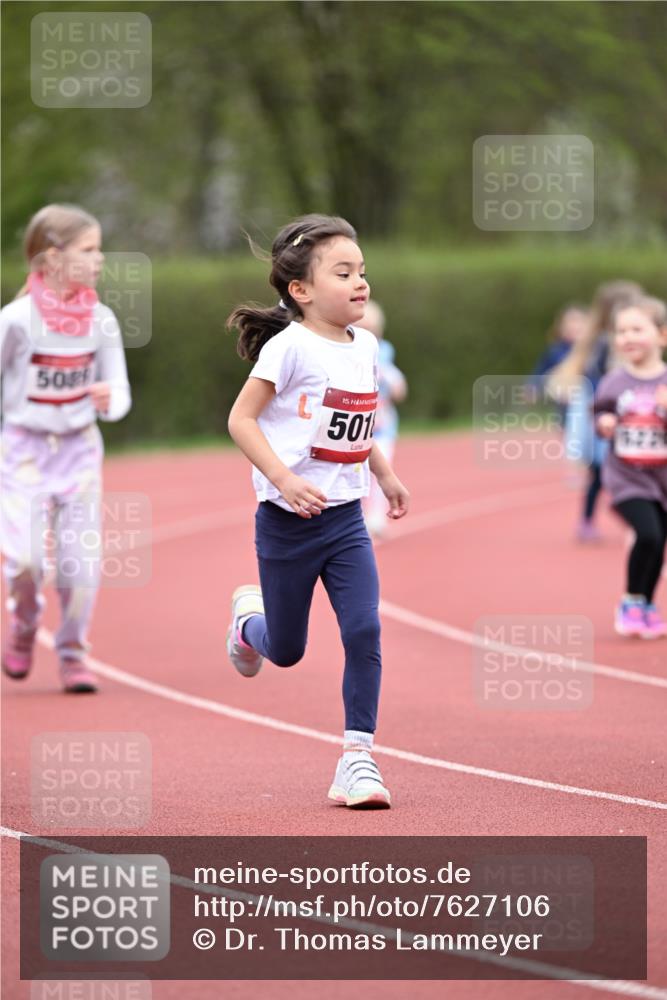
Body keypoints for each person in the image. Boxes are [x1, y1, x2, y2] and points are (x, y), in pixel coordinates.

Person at [225, 214, 409, 809]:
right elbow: (241, 420)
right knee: (286, 649)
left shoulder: (369, 346)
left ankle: (358, 759)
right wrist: (283, 479)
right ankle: (247, 625)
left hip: (347, 520)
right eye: (344, 273)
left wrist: (383, 474)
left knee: (365, 628)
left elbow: (359, 421)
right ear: (300, 290)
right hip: (287, 522)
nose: (361, 282)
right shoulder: (288, 348)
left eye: (363, 271)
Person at [1, 204, 132, 691]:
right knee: (27, 560)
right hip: (23, 453)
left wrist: (107, 399)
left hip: (78, 452)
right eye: (89, 250)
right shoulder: (14, 321)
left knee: (79, 564)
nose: (100, 260)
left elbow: (119, 392)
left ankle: (73, 652)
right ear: (53, 258)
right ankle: (24, 625)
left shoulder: (102, 320)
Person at [594, 295, 667, 639]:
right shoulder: (614, 381)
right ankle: (630, 601)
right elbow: (598, 411)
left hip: (662, 479)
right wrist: (604, 420)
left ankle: (647, 605)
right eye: (621, 331)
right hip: (627, 479)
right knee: (648, 533)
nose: (627, 338)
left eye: (637, 329)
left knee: (659, 542)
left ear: (662, 335)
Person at [548, 281, 643, 542]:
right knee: (606, 471)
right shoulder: (603, 343)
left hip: (608, 413)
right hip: (603, 415)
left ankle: (597, 517)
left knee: (607, 473)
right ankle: (597, 518)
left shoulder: (603, 341)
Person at [359, 300, 407, 539]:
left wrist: (396, 384)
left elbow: (396, 381)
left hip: (382, 427)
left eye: (373, 332)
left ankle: (376, 518)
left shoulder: (384, 352)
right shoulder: (345, 353)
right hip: (357, 429)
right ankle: (356, 518)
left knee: (380, 473)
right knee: (356, 475)